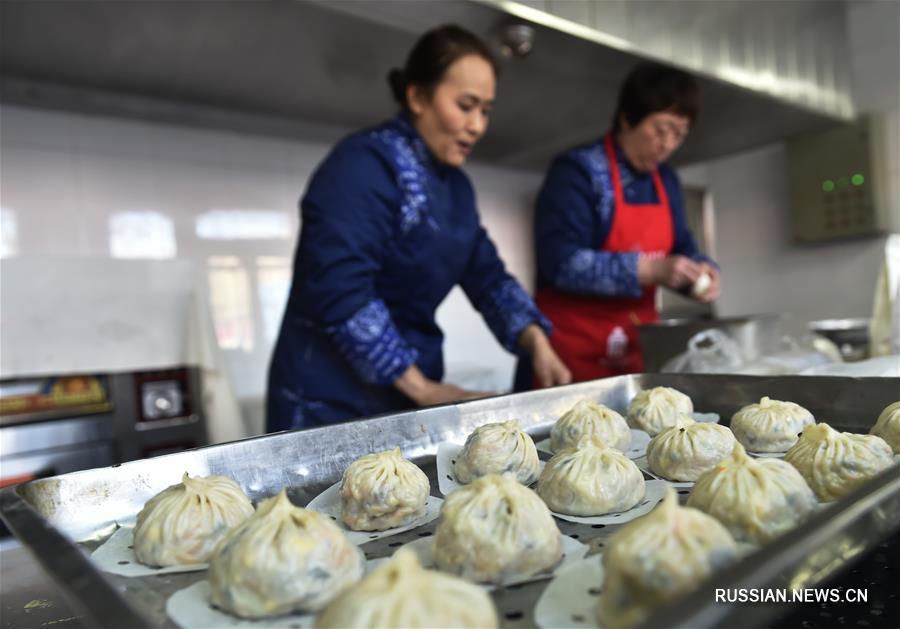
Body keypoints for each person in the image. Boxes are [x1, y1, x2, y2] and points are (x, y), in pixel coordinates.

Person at [267, 25, 571, 431]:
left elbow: (488, 277)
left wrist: (537, 343)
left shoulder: (455, 188)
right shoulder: (362, 165)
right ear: (417, 96)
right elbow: (340, 288)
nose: (478, 125)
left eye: (485, 110)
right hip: (329, 404)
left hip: (404, 399)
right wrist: (423, 390)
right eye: (466, 105)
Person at [524, 62, 720, 384]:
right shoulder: (578, 172)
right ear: (628, 117)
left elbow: (682, 245)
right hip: (568, 354)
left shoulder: (667, 180)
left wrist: (700, 270)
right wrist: (650, 270)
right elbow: (560, 262)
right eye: (661, 129)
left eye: (679, 134)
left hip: (634, 351)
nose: (668, 144)